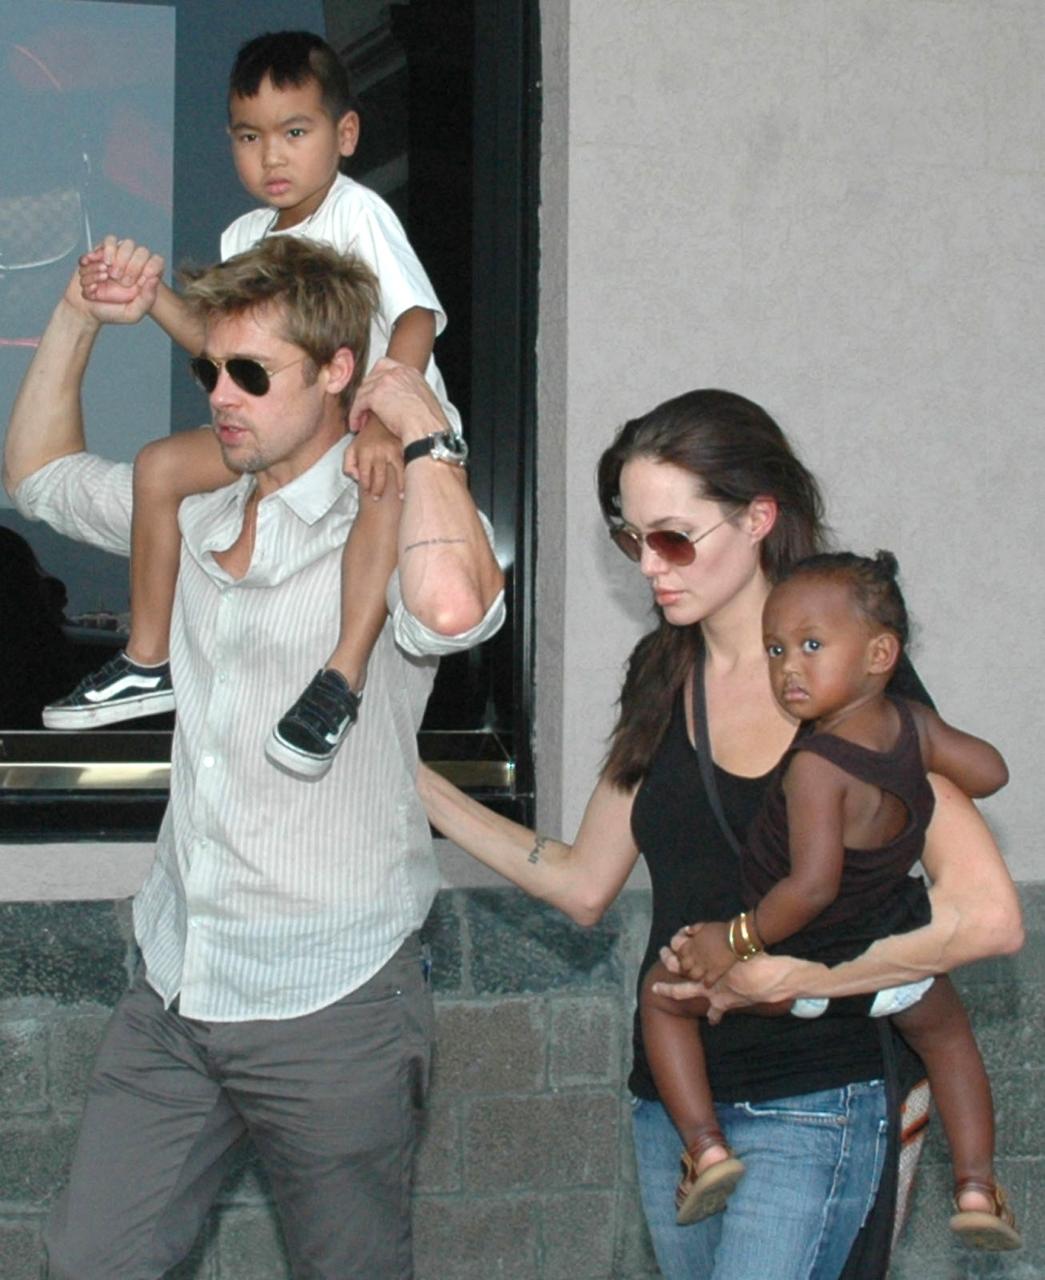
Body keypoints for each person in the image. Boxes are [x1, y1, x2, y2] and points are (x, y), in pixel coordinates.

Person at [414, 389, 1023, 1279]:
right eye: (630, 539)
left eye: (671, 537)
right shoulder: (663, 670)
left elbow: (989, 921)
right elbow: (586, 880)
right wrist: (413, 782)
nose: (647, 566)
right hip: (676, 1108)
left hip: (818, 1095)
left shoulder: (861, 694)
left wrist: (811, 976)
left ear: (757, 519)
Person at [3, 234, 504, 1279]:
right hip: (177, 989)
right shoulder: (190, 507)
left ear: (334, 372)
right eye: (210, 369)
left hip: (334, 1002)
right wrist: (84, 309)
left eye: (251, 374)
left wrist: (426, 434)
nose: (220, 396)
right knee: (88, 1262)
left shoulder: (398, 515)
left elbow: (456, 609)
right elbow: (40, 477)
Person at [42, 29, 465, 779]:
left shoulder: (357, 212)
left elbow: (415, 319)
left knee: (378, 496)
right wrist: (152, 302)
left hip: (387, 427)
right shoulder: (245, 234)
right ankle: (148, 657)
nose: (272, 157)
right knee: (161, 465)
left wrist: (386, 416)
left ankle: (341, 676)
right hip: (300, 433)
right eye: (250, 136)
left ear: (344, 135)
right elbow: (219, 345)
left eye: (294, 133)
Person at [639, 549, 1020, 1251]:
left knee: (664, 998)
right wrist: (926, 754)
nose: (788, 667)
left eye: (812, 646)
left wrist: (736, 938)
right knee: (947, 1039)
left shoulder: (815, 764)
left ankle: (705, 1149)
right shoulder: (912, 725)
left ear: (880, 652)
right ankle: (975, 1186)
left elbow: (811, 886)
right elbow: (990, 771)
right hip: (892, 956)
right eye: (775, 648)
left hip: (799, 961)